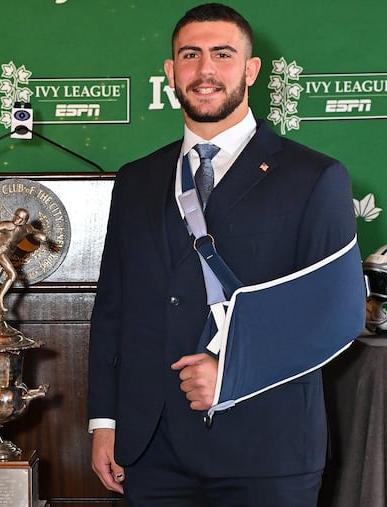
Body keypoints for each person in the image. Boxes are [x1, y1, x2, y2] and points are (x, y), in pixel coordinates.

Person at [87, 4, 363, 506]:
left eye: (223, 54)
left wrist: (234, 370)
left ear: (252, 70)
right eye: (190, 56)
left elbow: (336, 314)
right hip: (150, 450)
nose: (205, 70)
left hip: (268, 452)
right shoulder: (136, 180)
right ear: (171, 72)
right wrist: (105, 422)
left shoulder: (315, 177)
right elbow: (113, 309)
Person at [0, 208, 47, 312]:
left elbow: (36, 232)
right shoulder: (8, 225)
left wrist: (43, 238)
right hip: (0, 251)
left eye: (21, 218)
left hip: (6, 255)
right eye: (16, 216)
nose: (17, 219)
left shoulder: (27, 229)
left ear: (25, 221)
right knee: (13, 275)